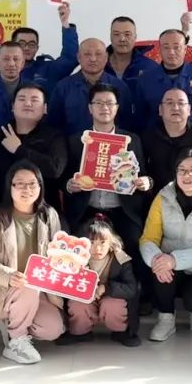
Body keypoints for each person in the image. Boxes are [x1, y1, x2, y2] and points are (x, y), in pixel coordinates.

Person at [0, 161, 65, 364]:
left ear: (40, 187)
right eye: (20, 184)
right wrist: (8, 276)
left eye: (32, 184)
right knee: (27, 283)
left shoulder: (48, 215)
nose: (27, 189)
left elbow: (59, 254)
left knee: (53, 329)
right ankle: (17, 341)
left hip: (36, 290)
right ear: (10, 187)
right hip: (2, 288)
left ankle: (14, 323)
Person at [140, 148, 192, 341]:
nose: (187, 175)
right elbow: (148, 238)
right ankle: (166, 319)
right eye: (182, 170)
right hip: (167, 265)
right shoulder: (163, 197)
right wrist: (157, 259)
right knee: (160, 273)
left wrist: (174, 259)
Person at [64, 83, 150, 266]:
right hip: (87, 210)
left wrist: (146, 182)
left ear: (117, 107)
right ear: (90, 108)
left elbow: (145, 174)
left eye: (110, 103)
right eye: (99, 103)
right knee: (78, 254)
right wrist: (69, 185)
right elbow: (63, 178)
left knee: (134, 245)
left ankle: (128, 284)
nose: (105, 108)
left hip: (122, 210)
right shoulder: (76, 140)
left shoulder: (131, 140)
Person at [0, 83, 66, 210]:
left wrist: (19, 150)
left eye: (34, 100)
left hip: (43, 212)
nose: (27, 104)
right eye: (22, 99)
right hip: (0, 211)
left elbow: (55, 170)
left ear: (45, 108)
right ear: (12, 106)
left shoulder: (54, 136)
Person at [59, 215, 141, 347]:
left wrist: (107, 288)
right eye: (92, 243)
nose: (97, 248)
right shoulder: (76, 260)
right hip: (86, 298)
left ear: (111, 243)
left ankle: (120, 331)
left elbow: (131, 288)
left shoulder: (121, 259)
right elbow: (65, 285)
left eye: (102, 242)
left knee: (113, 305)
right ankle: (80, 332)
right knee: (77, 304)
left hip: (110, 297)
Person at [48, 38, 133, 135]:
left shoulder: (120, 87)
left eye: (98, 54)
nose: (93, 59)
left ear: (106, 57)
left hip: (111, 143)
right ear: (79, 57)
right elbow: (53, 125)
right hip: (72, 143)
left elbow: (127, 124)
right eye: (87, 54)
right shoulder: (63, 87)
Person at [135, 29, 192, 130]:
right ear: (160, 49)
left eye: (177, 47)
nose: (171, 52)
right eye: (166, 47)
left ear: (185, 49)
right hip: (157, 137)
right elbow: (140, 116)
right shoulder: (146, 79)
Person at [142, 88, 192, 194]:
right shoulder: (148, 137)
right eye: (169, 103)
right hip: (157, 197)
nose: (175, 108)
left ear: (189, 110)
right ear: (160, 110)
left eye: (181, 103)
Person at [0, 2, 79, 94]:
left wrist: (65, 25)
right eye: (22, 43)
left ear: (37, 48)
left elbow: (70, 58)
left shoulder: (48, 70)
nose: (26, 48)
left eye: (31, 44)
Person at [104, 15, 155, 97]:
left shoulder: (149, 67)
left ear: (135, 37)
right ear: (110, 37)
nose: (122, 39)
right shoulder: (99, 66)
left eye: (127, 34)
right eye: (116, 34)